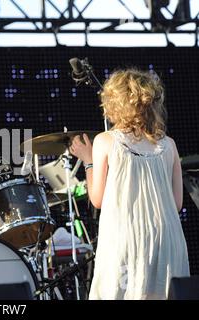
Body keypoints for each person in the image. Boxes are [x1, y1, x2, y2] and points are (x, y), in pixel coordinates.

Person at [69, 68, 190, 300]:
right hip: (166, 237)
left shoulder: (104, 141)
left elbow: (97, 199)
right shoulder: (170, 145)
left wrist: (88, 162)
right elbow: (176, 204)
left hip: (125, 236)